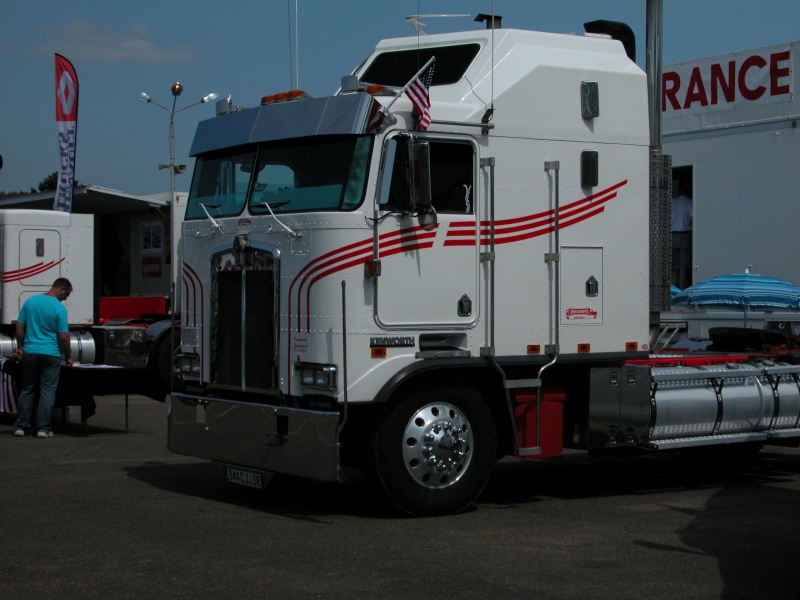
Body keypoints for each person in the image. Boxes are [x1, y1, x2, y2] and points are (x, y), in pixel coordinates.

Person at [12, 278, 74, 438]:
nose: (66, 298)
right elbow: (64, 337)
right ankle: (43, 428)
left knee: (27, 389)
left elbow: (19, 327)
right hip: (51, 353)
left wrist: (20, 347)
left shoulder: (30, 302)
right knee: (47, 391)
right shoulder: (59, 309)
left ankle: (21, 426)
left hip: (31, 351)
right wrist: (69, 357)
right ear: (61, 289)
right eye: (66, 294)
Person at [671, 182, 693, 290]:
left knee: (674, 268)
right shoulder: (690, 203)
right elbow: (694, 218)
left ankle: (673, 293)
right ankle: (682, 292)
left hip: (672, 236)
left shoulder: (672, 202)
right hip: (685, 236)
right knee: (683, 268)